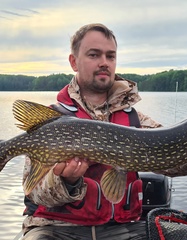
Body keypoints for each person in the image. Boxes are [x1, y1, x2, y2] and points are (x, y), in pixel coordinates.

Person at [22, 23, 161, 240]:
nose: (104, 62)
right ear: (73, 62)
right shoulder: (52, 122)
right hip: (55, 229)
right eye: (94, 55)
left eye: (110, 56)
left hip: (122, 229)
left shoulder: (137, 121)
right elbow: (35, 193)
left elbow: (180, 163)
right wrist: (67, 182)